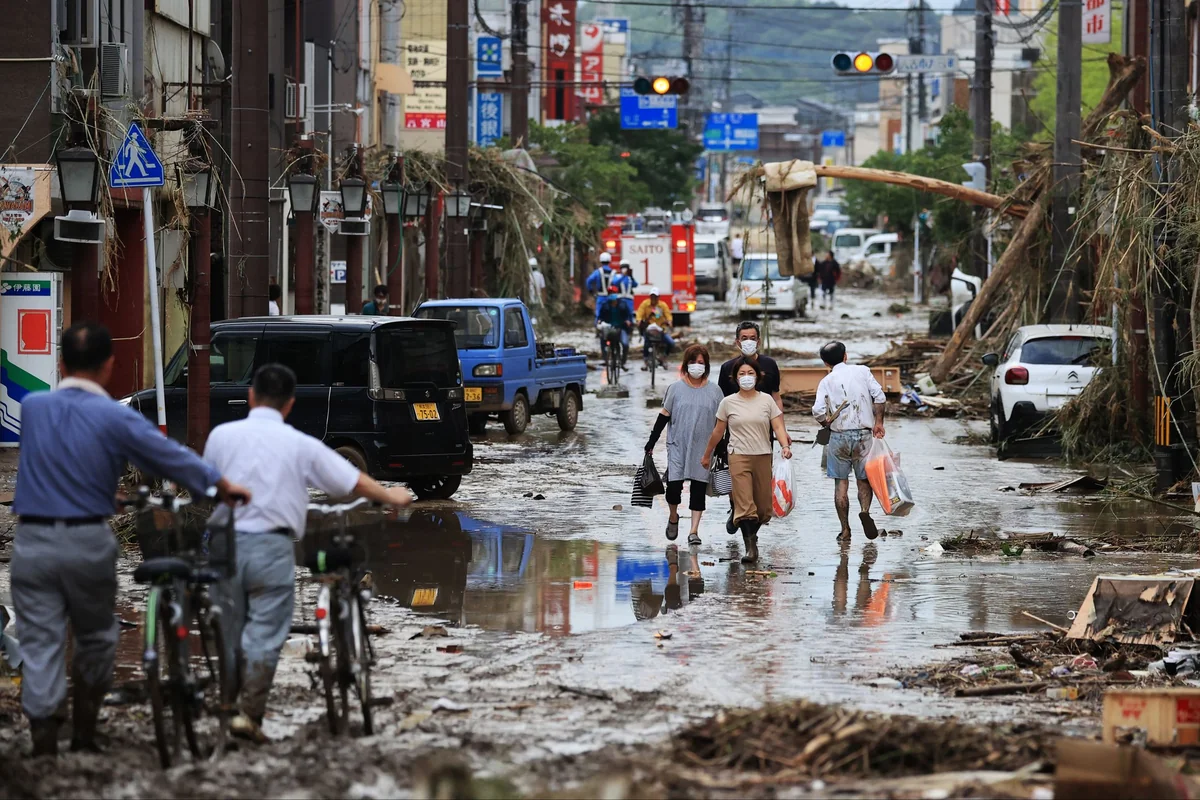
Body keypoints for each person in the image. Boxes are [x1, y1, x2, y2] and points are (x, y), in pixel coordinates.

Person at [11, 322, 252, 756]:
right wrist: (220, 486)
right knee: (98, 638)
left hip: (31, 544)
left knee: (40, 642)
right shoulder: (116, 416)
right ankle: (84, 734)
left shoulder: (33, 408)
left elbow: (60, 461)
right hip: (86, 542)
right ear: (109, 365)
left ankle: (44, 740)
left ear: (61, 363)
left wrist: (107, 492)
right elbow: (170, 457)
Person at [203, 363, 413, 743]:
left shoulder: (220, 436)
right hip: (271, 546)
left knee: (230, 627)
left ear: (252, 396)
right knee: (266, 631)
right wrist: (391, 494)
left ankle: (227, 705)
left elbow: (205, 483)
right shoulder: (299, 444)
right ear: (290, 405)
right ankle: (248, 715)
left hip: (224, 543)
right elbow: (350, 480)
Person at [701, 357, 792, 564]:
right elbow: (718, 431)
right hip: (738, 456)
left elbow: (777, 426)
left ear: (758, 376)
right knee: (744, 505)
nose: (746, 378)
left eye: (750, 373)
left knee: (763, 509)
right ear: (735, 378)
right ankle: (751, 547)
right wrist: (707, 454)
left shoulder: (767, 401)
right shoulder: (728, 402)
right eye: (742, 374)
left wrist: (785, 446)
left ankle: (750, 530)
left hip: (763, 455)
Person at [644, 345, 724, 546]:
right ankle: (673, 517)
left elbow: (722, 422)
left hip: (704, 449)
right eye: (692, 362)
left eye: (700, 362)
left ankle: (694, 531)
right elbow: (663, 416)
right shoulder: (675, 389)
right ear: (685, 364)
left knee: (698, 489)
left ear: (706, 365)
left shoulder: (715, 392)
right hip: (678, 446)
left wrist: (721, 447)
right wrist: (652, 442)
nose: (696, 366)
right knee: (673, 488)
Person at [812, 340, 886, 542]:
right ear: (846, 356)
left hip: (839, 437)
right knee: (864, 479)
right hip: (863, 435)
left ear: (826, 363)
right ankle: (864, 510)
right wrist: (878, 422)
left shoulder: (827, 381)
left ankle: (845, 530)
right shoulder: (862, 371)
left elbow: (817, 410)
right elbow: (879, 396)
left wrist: (825, 421)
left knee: (840, 485)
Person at [635, 290, 675, 369]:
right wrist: (639, 321)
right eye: (652, 296)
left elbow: (668, 315)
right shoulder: (645, 304)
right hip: (648, 330)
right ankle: (646, 361)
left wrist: (669, 321)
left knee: (671, 343)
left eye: (655, 297)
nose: (653, 298)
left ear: (658, 297)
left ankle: (663, 358)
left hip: (660, 330)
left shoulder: (662, 305)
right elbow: (639, 313)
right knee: (646, 343)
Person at [595, 285, 633, 367]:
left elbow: (629, 315)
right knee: (603, 341)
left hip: (621, 327)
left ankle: (623, 361)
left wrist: (628, 322)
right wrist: (599, 322)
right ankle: (606, 358)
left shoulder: (623, 304)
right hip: (608, 327)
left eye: (614, 293)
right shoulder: (605, 305)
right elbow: (600, 316)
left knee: (625, 344)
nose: (612, 295)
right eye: (610, 293)